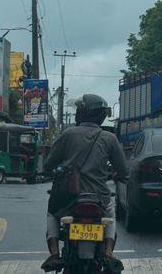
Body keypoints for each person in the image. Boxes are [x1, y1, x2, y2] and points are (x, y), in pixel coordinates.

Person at [41, 94, 127, 273]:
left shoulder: (68, 134)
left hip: (68, 197)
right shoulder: (109, 138)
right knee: (111, 214)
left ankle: (55, 253)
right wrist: (117, 175)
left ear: (81, 113)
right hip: (99, 199)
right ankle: (109, 253)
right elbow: (124, 170)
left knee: (52, 214)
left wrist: (51, 171)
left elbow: (48, 164)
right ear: (101, 116)